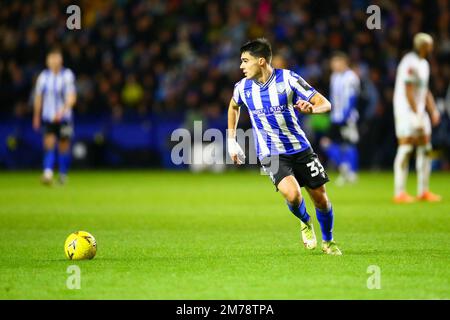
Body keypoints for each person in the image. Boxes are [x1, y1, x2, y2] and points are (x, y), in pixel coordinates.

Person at [227, 38, 341, 255]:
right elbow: (233, 107)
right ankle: (306, 222)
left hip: (300, 148)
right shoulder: (242, 88)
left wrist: (311, 110)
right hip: (271, 154)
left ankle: (329, 241)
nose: (241, 66)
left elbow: (325, 103)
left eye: (245, 61)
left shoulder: (288, 79)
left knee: (321, 198)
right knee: (293, 195)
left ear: (261, 61)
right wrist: (231, 140)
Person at [393, 33, 441, 203]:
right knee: (406, 147)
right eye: (430, 44)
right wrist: (416, 114)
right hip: (405, 110)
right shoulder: (410, 62)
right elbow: (408, 90)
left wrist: (433, 110)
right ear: (422, 46)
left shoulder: (424, 63)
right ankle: (399, 192)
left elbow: (425, 90)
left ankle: (423, 191)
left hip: (419, 110)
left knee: (425, 147)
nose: (432, 48)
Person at [33, 48, 77, 185]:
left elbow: (72, 98)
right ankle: (48, 173)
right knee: (49, 143)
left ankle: (63, 175)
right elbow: (39, 97)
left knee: (63, 146)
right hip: (48, 118)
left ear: (61, 60)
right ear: (47, 61)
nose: (53, 61)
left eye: (55, 58)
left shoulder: (67, 75)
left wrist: (62, 112)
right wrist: (36, 116)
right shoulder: (43, 77)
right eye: (51, 58)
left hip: (65, 118)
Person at [322, 52, 360, 185]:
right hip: (335, 116)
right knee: (327, 143)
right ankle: (345, 169)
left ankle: (352, 172)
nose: (333, 65)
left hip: (347, 117)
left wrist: (345, 115)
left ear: (344, 63)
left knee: (349, 143)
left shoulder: (351, 77)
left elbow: (352, 98)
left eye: (336, 62)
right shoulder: (334, 76)